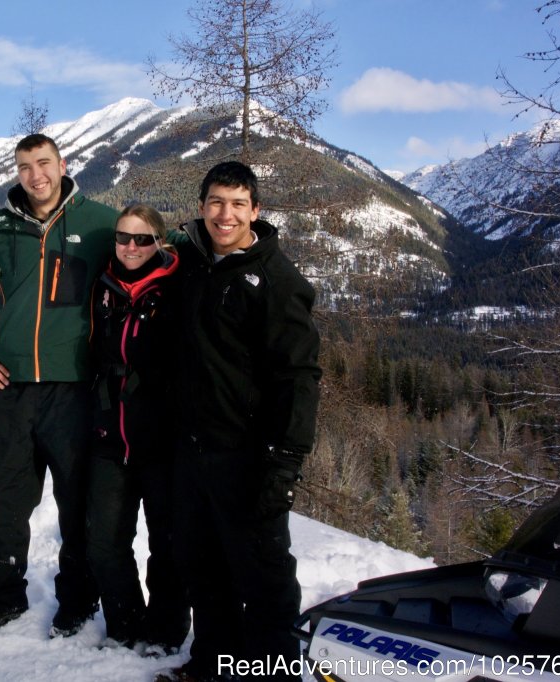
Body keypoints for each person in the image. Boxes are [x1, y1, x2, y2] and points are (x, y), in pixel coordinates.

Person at [0, 133, 119, 638]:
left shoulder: (99, 222)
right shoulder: (0, 227)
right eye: (24, 166)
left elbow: (150, 247)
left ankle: (78, 602)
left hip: (74, 392)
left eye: (43, 163)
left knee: (78, 504)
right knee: (3, 501)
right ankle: (1, 600)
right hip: (14, 390)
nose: (34, 175)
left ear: (62, 165)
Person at [159, 162, 321, 682]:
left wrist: (283, 463)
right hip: (192, 451)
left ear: (255, 210)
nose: (224, 214)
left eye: (236, 204)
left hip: (248, 457)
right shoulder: (190, 263)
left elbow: (298, 378)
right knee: (204, 570)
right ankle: (211, 664)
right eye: (215, 202)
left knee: (264, 579)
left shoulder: (275, 279)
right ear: (202, 206)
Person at [87, 205, 191, 654]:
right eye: (123, 237)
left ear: (160, 243)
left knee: (166, 542)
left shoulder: (179, 287)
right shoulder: (104, 285)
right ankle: (124, 623)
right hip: (111, 435)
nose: (131, 247)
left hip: (162, 438)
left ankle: (165, 633)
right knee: (106, 539)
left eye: (142, 239)